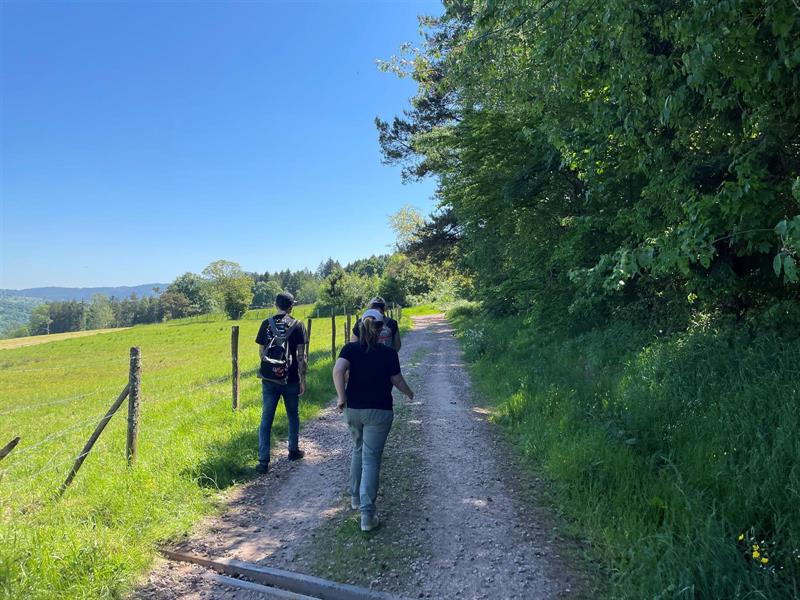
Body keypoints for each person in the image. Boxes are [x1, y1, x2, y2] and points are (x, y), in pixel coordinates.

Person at [333, 308, 414, 531]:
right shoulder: (388, 353)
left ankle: (356, 499)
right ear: (381, 330)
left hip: (354, 410)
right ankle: (367, 515)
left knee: (358, 450)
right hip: (379, 411)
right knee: (370, 458)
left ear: (360, 327)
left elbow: (338, 371)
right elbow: (396, 380)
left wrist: (341, 397)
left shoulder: (350, 349)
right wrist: (409, 393)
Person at [254, 291, 308, 474]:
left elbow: (262, 352)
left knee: (266, 418)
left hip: (269, 379)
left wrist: (272, 369)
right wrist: (302, 379)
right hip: (291, 378)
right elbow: (301, 356)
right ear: (291, 306)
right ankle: (293, 451)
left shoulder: (266, 324)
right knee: (293, 415)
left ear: (275, 305)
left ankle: (263, 462)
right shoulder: (298, 325)